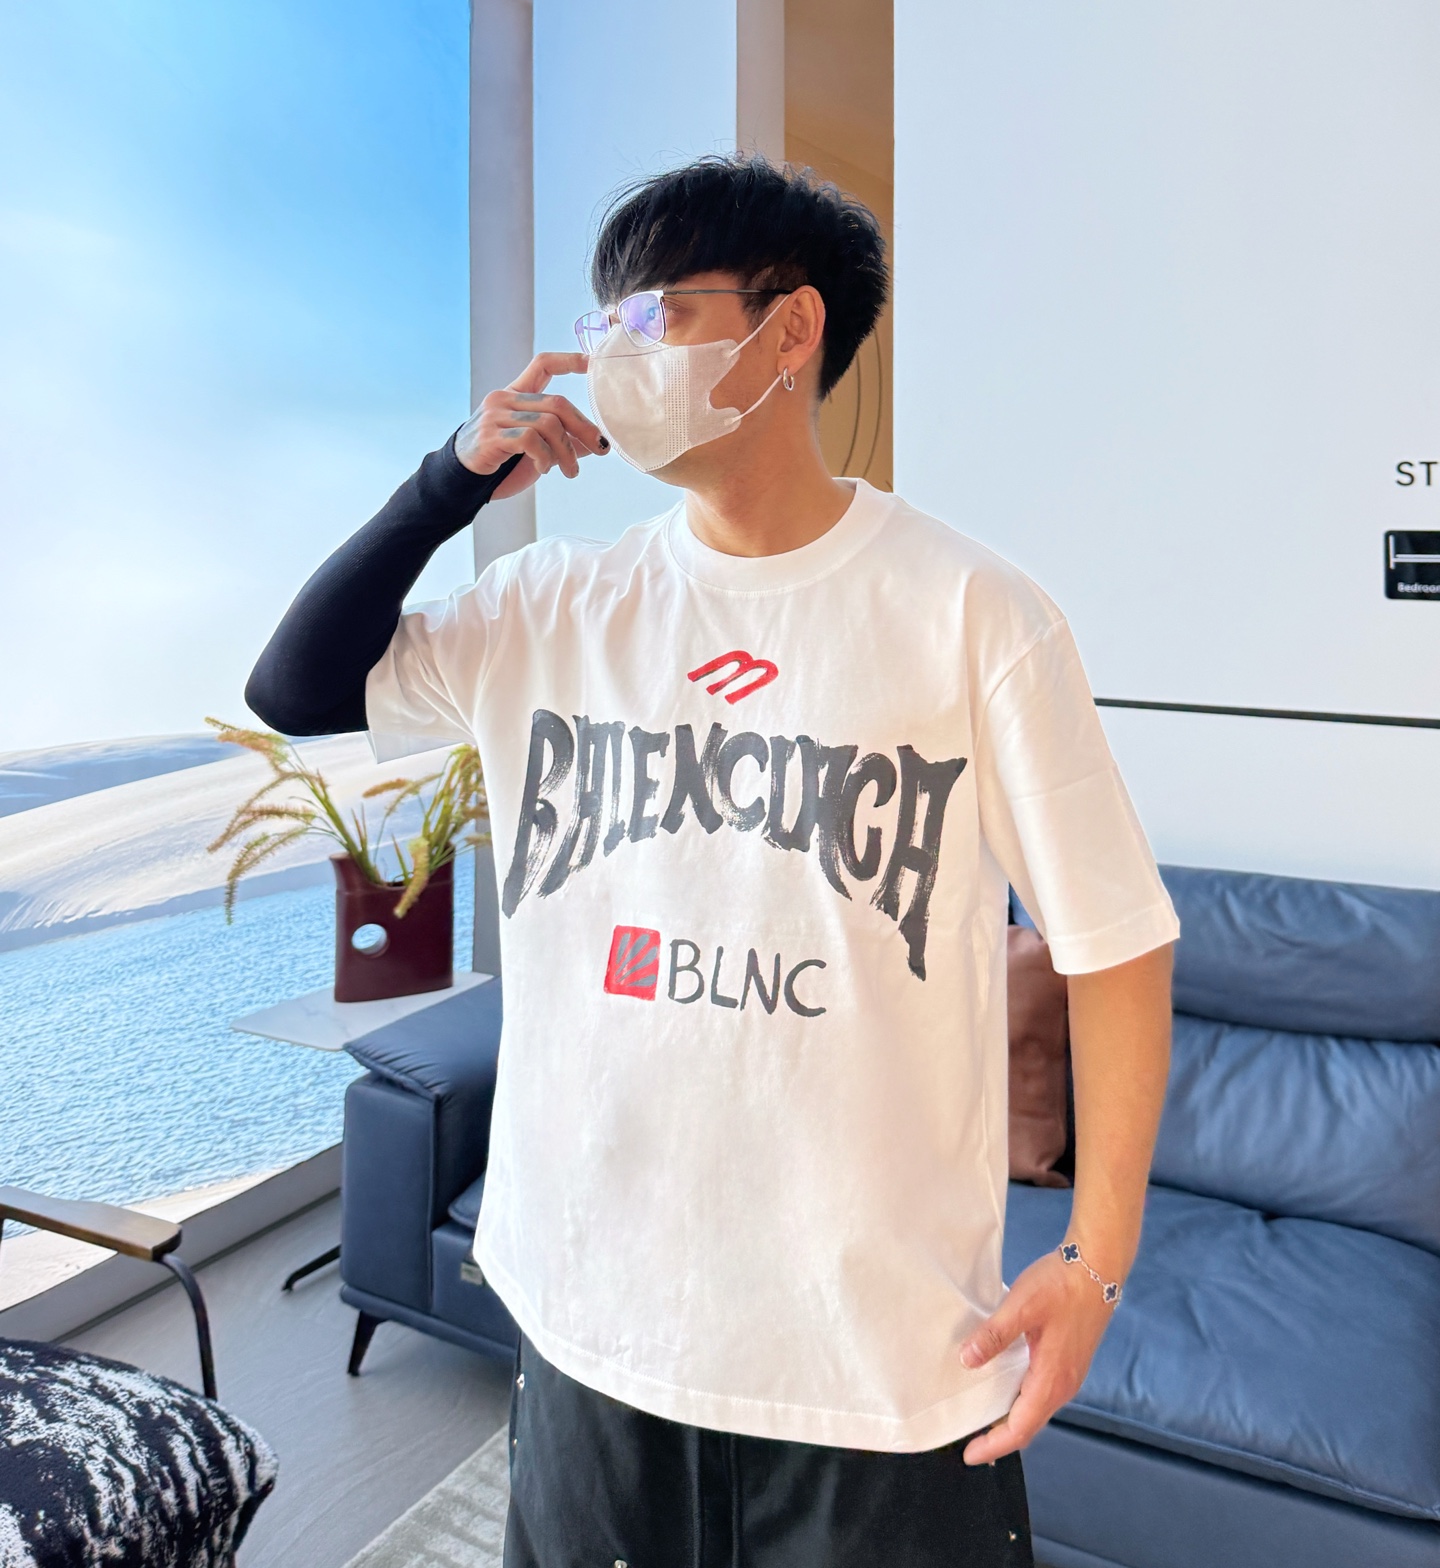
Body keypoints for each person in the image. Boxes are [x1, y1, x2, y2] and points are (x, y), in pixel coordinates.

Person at [247, 154, 1177, 1568]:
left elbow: (1116, 942)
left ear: (789, 329)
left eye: (655, 316)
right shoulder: (554, 605)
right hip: (589, 1323)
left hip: (875, 1366)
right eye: (600, 322)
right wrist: (450, 481)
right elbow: (295, 689)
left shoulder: (972, 612)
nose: (609, 355)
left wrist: (1095, 1261)